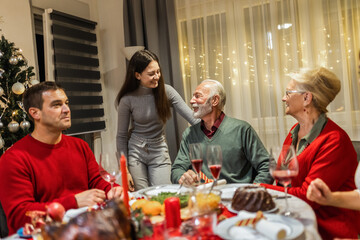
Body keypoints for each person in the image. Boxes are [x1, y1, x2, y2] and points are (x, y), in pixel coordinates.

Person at [0, 82, 123, 235]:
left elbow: (98, 180)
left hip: (86, 229)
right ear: (35, 113)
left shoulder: (80, 146)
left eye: (66, 103)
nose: (66, 110)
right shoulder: (13, 159)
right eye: (57, 105)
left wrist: (112, 190)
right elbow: (20, 216)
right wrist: (73, 202)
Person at [262, 67, 359, 239]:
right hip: (293, 219)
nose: (284, 98)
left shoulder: (334, 140)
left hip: (326, 230)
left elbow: (309, 197)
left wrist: (260, 190)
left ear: (307, 98)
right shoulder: (294, 131)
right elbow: (281, 182)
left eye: (288, 93)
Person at [116, 49, 198, 191]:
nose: (157, 77)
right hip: (135, 152)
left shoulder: (167, 92)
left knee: (164, 192)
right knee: (142, 196)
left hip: (159, 150)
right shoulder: (127, 99)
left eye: (158, 72)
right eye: (151, 74)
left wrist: (216, 124)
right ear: (137, 75)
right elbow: (121, 136)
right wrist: (125, 171)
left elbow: (192, 117)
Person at [171, 79, 273, 185]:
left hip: (236, 197)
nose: (192, 101)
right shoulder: (189, 134)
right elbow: (177, 169)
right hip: (203, 198)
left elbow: (267, 166)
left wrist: (252, 190)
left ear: (214, 100)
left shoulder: (242, 130)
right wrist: (181, 177)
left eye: (197, 96)